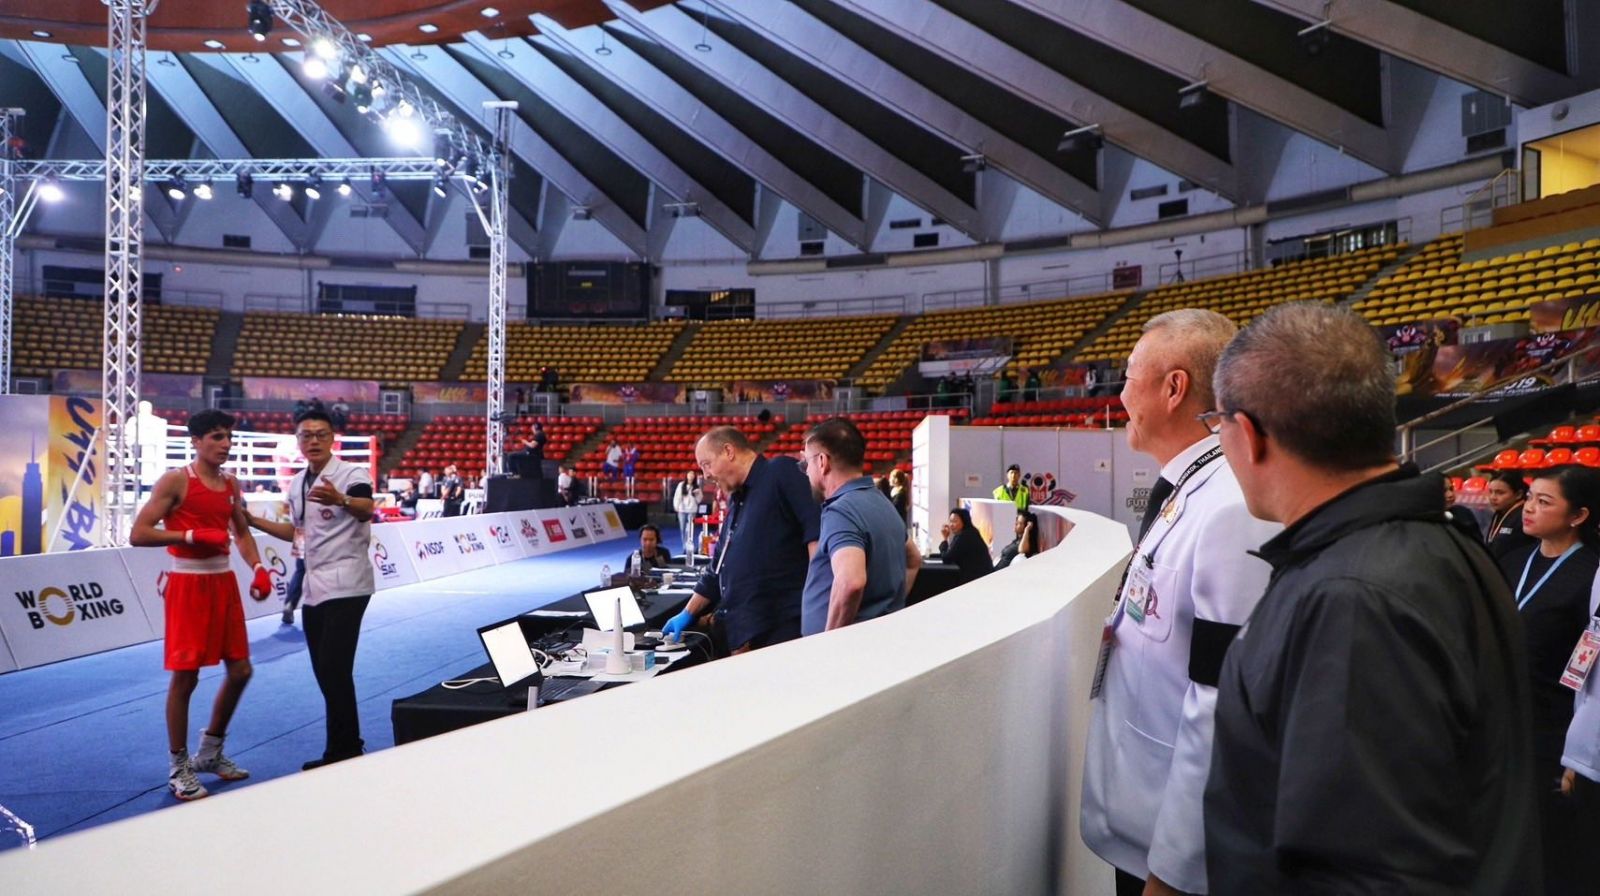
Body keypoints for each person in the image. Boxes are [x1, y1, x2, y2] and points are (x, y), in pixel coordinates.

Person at [1204, 302, 1538, 892]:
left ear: (1248, 435)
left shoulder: (1353, 599)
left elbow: (1370, 873)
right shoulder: (1420, 547)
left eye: (1218, 423)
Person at [1080, 308, 1278, 896]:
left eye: (1128, 376)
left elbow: (1223, 709)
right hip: (1144, 826)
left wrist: (1175, 869)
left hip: (1182, 859)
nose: (1120, 396)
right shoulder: (1194, 487)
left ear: (1173, 388)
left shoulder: (1232, 506)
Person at [129, 409, 274, 802]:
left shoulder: (231, 483)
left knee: (241, 670)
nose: (225, 444)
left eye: (228, 437)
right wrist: (190, 535)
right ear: (196, 441)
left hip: (223, 583)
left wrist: (258, 567)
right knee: (185, 678)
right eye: (216, 437)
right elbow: (138, 533)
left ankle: (209, 752)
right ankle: (178, 766)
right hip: (188, 585)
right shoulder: (176, 480)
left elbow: (241, 533)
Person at [244, 409, 377, 770]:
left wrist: (341, 500)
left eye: (321, 434)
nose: (313, 441)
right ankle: (346, 746)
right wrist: (254, 521)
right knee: (325, 671)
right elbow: (299, 534)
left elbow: (366, 509)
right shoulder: (297, 483)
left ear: (333, 438)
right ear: (298, 441)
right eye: (306, 435)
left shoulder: (351, 474)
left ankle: (343, 751)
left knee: (334, 668)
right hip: (314, 586)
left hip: (348, 583)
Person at [1494, 465, 1600, 894]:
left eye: (1544, 501)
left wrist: (1577, 748)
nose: (1529, 508)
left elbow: (1588, 667)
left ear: (1578, 515)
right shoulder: (1512, 560)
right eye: (1529, 498)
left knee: (1554, 842)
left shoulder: (1591, 573)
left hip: (1555, 725)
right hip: (1503, 717)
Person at [661, 426, 820, 654]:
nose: (705, 475)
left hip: (784, 628)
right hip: (747, 633)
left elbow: (817, 536)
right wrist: (687, 613)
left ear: (729, 451)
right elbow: (717, 568)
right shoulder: (737, 499)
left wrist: (817, 610)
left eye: (706, 464)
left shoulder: (780, 472)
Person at [798, 418, 920, 636]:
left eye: (806, 463)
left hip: (846, 651)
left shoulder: (841, 511)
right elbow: (914, 559)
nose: (806, 472)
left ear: (822, 462)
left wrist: (828, 643)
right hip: (878, 639)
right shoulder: (882, 502)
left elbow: (851, 582)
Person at [1487, 471, 1536, 561]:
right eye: (1490, 492)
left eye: (1500, 493)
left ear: (1518, 494)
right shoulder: (1499, 513)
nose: (1493, 497)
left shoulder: (1525, 515)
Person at [938, 507, 993, 584]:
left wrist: (945, 539)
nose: (951, 525)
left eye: (955, 521)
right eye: (950, 521)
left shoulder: (966, 536)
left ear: (964, 521)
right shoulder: (967, 533)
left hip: (977, 579)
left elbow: (947, 558)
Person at [672, 470, 703, 558]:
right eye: (689, 474)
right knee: (682, 528)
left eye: (692, 475)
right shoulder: (681, 485)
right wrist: (676, 506)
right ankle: (684, 546)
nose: (691, 476)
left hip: (692, 510)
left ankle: (689, 546)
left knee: (690, 529)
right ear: (686, 476)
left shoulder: (697, 486)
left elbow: (699, 500)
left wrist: (697, 494)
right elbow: (677, 496)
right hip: (682, 510)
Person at [1444, 475, 1484, 543]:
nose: (1450, 494)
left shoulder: (1463, 512)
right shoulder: (1428, 525)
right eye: (1443, 491)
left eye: (1451, 489)